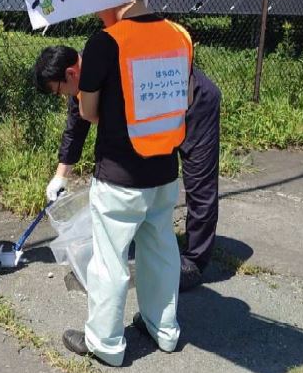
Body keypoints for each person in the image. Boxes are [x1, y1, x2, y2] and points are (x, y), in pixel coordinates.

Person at [33, 0, 193, 366]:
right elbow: (181, 97)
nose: (93, 9)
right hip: (165, 170)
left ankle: (105, 343)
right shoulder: (178, 34)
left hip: (121, 175)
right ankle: (164, 330)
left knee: (109, 260)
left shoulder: (106, 42)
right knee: (161, 251)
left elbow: (87, 113)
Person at [40, 46, 220, 292]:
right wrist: (60, 176)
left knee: (199, 182)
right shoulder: (83, 79)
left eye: (58, 90)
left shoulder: (107, 68)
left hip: (193, 104)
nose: (62, 96)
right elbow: (76, 126)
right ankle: (156, 251)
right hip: (158, 112)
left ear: (71, 73)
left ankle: (194, 262)